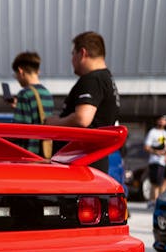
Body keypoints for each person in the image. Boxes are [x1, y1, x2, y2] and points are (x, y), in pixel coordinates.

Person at [44, 31, 120, 173]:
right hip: (95, 162)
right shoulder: (107, 79)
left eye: (73, 54)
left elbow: (82, 118)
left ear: (83, 53)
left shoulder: (92, 79)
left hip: (81, 164)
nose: (72, 59)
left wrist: (54, 123)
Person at [10, 51, 54, 158]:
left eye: (16, 74)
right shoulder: (47, 93)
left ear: (21, 71)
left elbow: (19, 129)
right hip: (45, 153)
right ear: (37, 71)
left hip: (28, 154)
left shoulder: (25, 94)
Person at [144, 114, 166, 206]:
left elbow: (165, 146)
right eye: (161, 119)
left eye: (164, 120)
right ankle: (155, 202)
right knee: (156, 183)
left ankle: (152, 201)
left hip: (162, 162)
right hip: (154, 161)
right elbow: (146, 147)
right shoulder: (153, 132)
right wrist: (156, 152)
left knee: (160, 182)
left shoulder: (165, 133)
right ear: (157, 121)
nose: (162, 121)